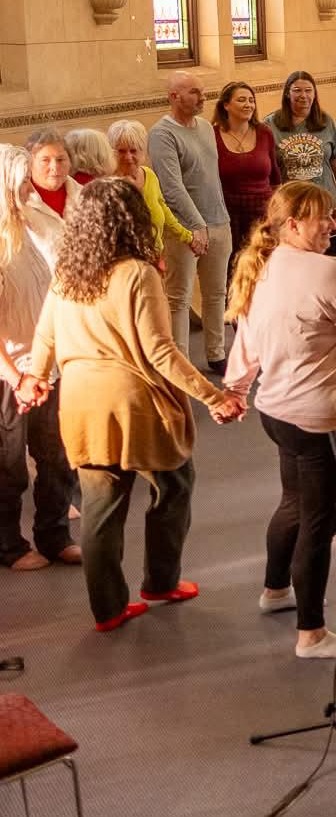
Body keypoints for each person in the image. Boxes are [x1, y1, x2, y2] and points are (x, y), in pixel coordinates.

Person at [17, 179, 242, 632]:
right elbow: (160, 351)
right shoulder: (137, 273)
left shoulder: (67, 273)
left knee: (100, 508)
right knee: (175, 483)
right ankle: (160, 582)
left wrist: (35, 380)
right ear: (132, 220)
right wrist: (215, 396)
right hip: (133, 402)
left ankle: (108, 609)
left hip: (81, 403)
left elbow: (45, 335)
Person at [224, 182, 336, 659]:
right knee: (319, 522)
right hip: (323, 419)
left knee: (293, 503)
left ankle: (276, 590)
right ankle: (312, 633)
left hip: (277, 411)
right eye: (319, 217)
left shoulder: (262, 266)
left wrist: (236, 389)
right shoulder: (332, 273)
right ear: (292, 225)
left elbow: (246, 339)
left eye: (329, 214)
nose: (330, 224)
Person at [0, 145, 80, 572]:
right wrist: (17, 376)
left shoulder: (29, 232)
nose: (27, 190)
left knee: (55, 455)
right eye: (20, 183)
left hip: (45, 364)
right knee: (9, 465)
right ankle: (8, 544)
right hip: (11, 373)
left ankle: (54, 535)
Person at [149, 71, 231, 366]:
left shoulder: (207, 128)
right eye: (194, 92)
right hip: (184, 228)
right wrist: (196, 226)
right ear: (174, 97)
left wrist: (219, 219)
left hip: (218, 221)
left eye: (202, 91)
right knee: (179, 298)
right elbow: (171, 187)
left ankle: (216, 353)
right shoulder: (162, 134)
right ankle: (179, 361)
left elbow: (211, 177)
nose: (203, 97)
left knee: (216, 292)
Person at [213, 80, 284, 266]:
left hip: (262, 213)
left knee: (265, 267)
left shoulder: (264, 133)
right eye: (241, 100)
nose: (248, 105)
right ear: (226, 105)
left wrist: (277, 215)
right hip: (228, 215)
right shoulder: (212, 135)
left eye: (251, 100)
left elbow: (275, 178)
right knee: (233, 269)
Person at [265, 71, 336, 201]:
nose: (303, 95)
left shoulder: (325, 121)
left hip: (324, 199)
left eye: (308, 90)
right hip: (290, 201)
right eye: (297, 90)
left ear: (314, 94)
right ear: (288, 93)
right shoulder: (270, 124)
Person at [108, 119, 194, 252]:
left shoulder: (149, 175)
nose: (128, 157)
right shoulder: (109, 185)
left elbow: (162, 207)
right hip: (127, 262)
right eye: (121, 151)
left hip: (156, 255)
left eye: (133, 150)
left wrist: (187, 237)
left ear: (143, 150)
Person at [20, 127, 81, 266]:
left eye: (60, 159)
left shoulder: (87, 196)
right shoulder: (20, 203)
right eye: (45, 160)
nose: (54, 167)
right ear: (30, 164)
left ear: (70, 162)